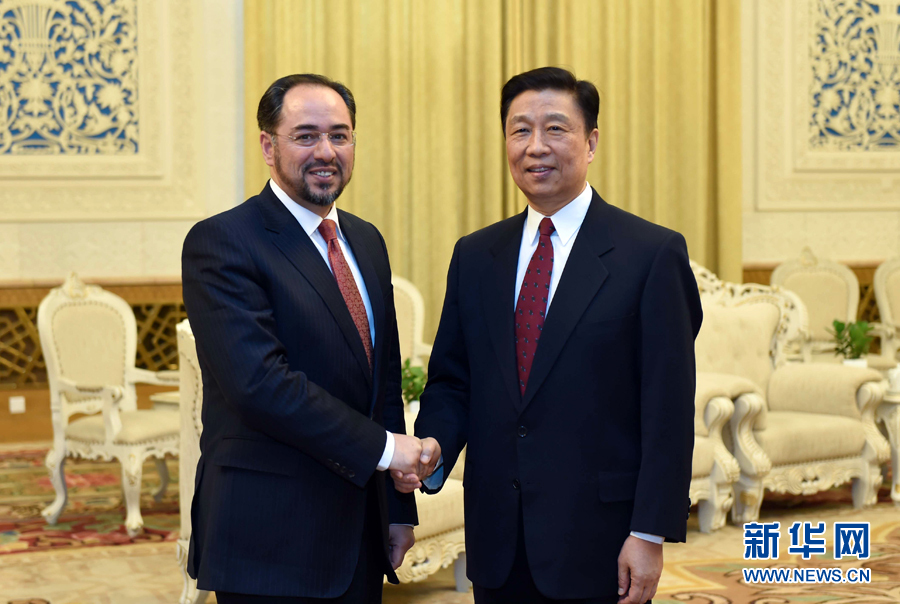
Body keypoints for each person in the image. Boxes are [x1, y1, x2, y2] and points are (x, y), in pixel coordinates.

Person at [401, 67, 702, 604]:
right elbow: (454, 381)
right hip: (497, 540)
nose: (535, 146)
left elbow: (668, 407)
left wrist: (649, 532)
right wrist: (434, 446)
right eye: (520, 130)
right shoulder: (476, 256)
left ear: (591, 142)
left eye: (555, 128)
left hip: (601, 542)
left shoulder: (650, 254)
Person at [182, 74, 436, 603]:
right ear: (268, 146)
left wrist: (398, 509)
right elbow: (260, 385)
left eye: (339, 135)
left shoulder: (365, 240)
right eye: (306, 136)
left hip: (359, 534)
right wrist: (388, 450)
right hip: (268, 540)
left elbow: (384, 382)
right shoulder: (223, 241)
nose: (326, 151)